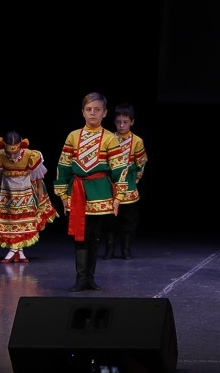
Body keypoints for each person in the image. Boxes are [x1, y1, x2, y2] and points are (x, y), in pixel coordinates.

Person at [53, 92, 129, 292]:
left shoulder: (110, 138)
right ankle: (80, 278)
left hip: (100, 192)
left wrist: (118, 197)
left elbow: (119, 168)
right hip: (78, 191)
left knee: (94, 236)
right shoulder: (73, 136)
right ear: (82, 112)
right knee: (80, 235)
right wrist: (62, 193)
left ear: (104, 113)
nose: (92, 113)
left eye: (97, 110)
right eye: (88, 110)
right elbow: (63, 166)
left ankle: (90, 278)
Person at [0, 131, 58, 263]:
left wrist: (39, 189)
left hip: (24, 189)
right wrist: (1, 192)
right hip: (8, 191)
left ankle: (16, 250)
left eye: (15, 152)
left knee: (23, 219)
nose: (12, 155)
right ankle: (17, 251)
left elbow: (37, 173)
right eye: (9, 152)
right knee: (10, 220)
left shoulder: (29, 155)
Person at [102, 102, 148, 261]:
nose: (122, 125)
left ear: (132, 122)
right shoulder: (108, 138)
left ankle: (126, 249)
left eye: (125, 122)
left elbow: (141, 163)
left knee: (129, 219)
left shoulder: (137, 141)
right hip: (110, 184)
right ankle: (109, 248)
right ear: (114, 122)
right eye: (118, 122)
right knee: (109, 219)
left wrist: (134, 180)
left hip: (129, 185)